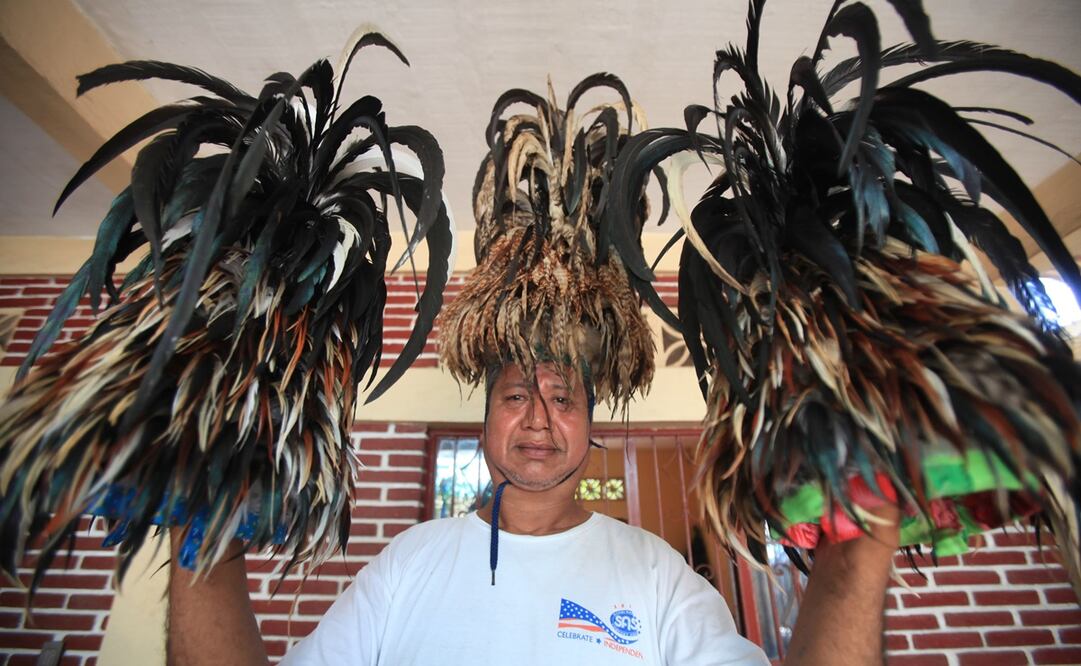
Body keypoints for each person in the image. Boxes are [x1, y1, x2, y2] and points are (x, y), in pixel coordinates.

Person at [167, 361, 901, 666]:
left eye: (564, 396)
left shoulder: (657, 572)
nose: (540, 419)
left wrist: (856, 550)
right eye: (516, 394)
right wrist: (200, 542)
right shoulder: (410, 559)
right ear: (486, 420)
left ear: (593, 426)